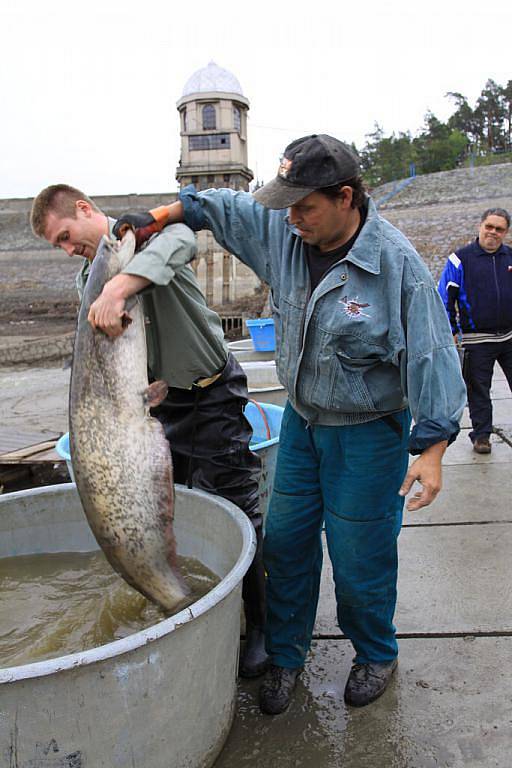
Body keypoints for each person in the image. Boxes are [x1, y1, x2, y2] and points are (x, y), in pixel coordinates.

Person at [113, 134, 467, 713]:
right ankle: (285, 657)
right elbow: (216, 207)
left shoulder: (395, 266)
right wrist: (156, 216)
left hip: (368, 434)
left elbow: (431, 356)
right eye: (286, 205)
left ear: (346, 197)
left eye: (304, 206)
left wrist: (431, 449)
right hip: (303, 426)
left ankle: (375, 651)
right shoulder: (284, 231)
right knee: (285, 544)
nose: (291, 217)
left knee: (359, 556)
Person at [29, 184, 268, 678]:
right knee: (175, 513)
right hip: (159, 409)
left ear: (84, 208)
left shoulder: (146, 237)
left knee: (239, 510)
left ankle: (263, 626)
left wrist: (121, 287)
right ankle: (191, 602)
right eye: (59, 246)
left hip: (212, 395)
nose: (69, 248)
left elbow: (184, 239)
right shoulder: (87, 283)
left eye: (67, 236)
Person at [438, 208, 512, 454]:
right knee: (479, 390)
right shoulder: (459, 259)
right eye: (489, 226)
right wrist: (450, 330)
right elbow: (445, 297)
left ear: (505, 232)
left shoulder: (510, 258)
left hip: (509, 337)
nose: (493, 232)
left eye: (499, 228)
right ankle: (481, 436)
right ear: (481, 226)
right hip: (476, 339)